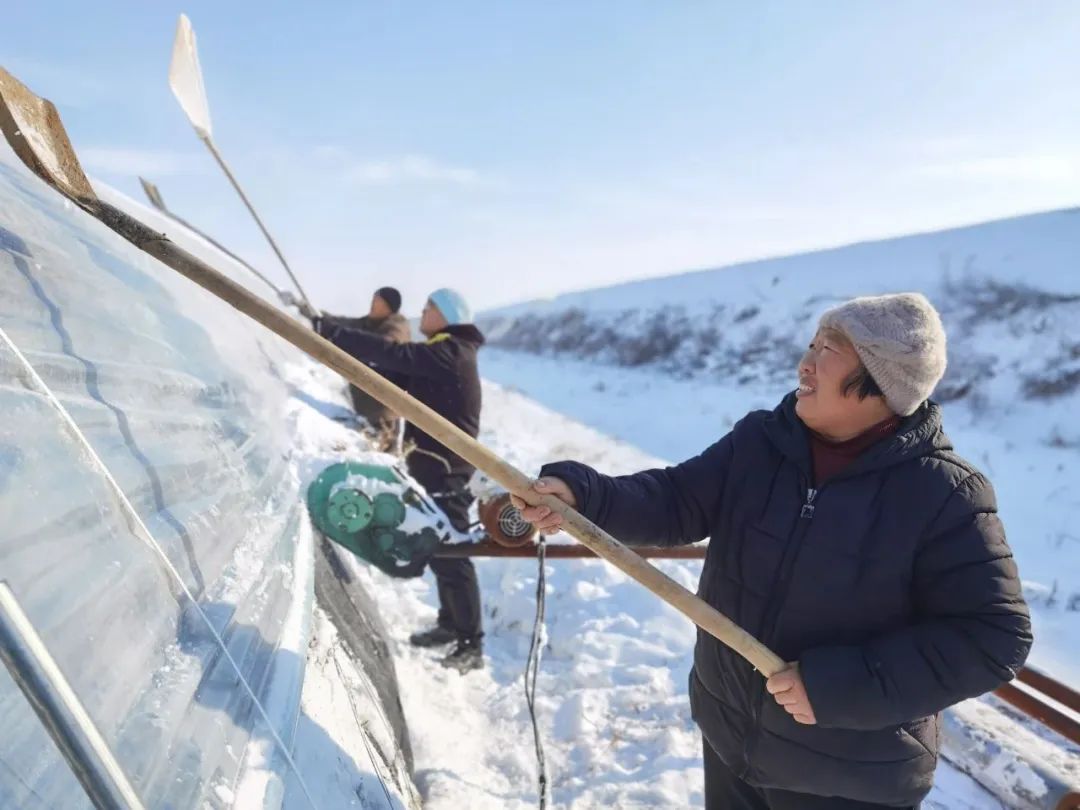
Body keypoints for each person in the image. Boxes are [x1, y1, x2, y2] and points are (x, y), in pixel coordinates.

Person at [514, 293, 1032, 808]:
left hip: (846, 778)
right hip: (732, 741)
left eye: (829, 350)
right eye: (812, 343)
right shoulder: (763, 442)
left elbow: (994, 637)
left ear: (882, 380)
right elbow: (674, 500)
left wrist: (836, 687)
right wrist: (584, 495)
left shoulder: (942, 493)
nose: (805, 363)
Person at [317, 288, 487, 673]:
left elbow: (396, 354)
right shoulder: (445, 352)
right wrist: (344, 357)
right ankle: (450, 625)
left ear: (445, 315)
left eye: (427, 309)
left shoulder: (451, 353)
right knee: (443, 551)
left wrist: (335, 333)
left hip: (447, 471)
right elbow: (390, 371)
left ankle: (472, 643)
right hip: (432, 468)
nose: (420, 315)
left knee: (455, 555)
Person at [313, 287, 411, 449]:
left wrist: (336, 333)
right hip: (363, 409)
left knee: (379, 457)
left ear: (388, 306)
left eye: (377, 301)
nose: (372, 304)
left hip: (385, 416)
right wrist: (311, 314)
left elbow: (384, 348)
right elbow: (344, 324)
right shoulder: (368, 323)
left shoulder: (397, 327)